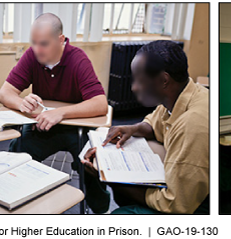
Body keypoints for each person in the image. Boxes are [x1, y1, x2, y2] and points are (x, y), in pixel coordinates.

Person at [0, 13, 110, 212]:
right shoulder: (32, 56)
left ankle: (101, 209)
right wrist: (22, 102)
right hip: (42, 127)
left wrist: (61, 113)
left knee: (91, 163)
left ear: (60, 40)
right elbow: (5, 93)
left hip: (76, 131)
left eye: (44, 44)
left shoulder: (78, 60)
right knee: (17, 152)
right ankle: (15, 204)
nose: (37, 49)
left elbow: (100, 103)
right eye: (34, 43)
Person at [82, 40, 209, 214]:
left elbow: (177, 204)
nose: (134, 87)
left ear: (164, 80)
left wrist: (109, 178)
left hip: (196, 206)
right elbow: (155, 123)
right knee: (124, 192)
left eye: (140, 80)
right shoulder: (184, 93)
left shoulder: (193, 124)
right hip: (182, 192)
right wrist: (133, 128)